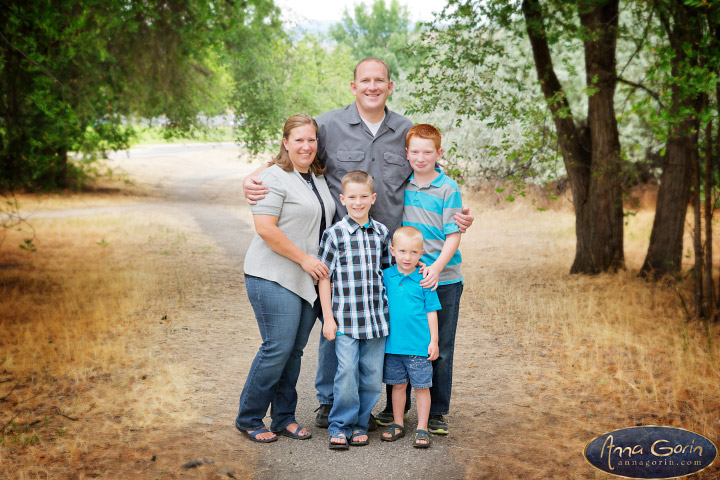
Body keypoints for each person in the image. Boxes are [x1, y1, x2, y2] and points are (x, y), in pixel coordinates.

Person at [242, 58, 474, 430]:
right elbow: (293, 150)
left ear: (390, 86)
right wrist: (250, 180)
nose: (371, 86)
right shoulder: (329, 126)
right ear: (353, 86)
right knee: (336, 328)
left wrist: (458, 213)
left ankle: (388, 405)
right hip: (342, 250)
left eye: (379, 80)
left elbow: (430, 168)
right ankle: (328, 400)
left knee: (386, 325)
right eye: (364, 80)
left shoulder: (404, 130)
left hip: (391, 253)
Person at [234, 114, 336, 443]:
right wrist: (306, 259)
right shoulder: (272, 178)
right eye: (299, 140)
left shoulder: (317, 177)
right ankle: (249, 417)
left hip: (306, 278)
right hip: (273, 274)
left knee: (294, 352)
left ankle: (283, 417)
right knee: (277, 347)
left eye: (311, 140)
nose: (306, 146)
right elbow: (265, 228)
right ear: (285, 142)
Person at [380, 124, 465, 436]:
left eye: (427, 152)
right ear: (406, 154)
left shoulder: (448, 189)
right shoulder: (403, 187)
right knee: (402, 341)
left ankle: (438, 412)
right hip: (409, 276)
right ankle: (396, 410)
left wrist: (437, 267)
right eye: (414, 151)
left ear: (439, 154)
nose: (420, 157)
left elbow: (454, 236)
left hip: (444, 279)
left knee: (438, 346)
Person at [317, 171, 392, 449]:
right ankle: (340, 425)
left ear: (373, 198)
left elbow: (386, 274)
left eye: (363, 197)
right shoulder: (334, 235)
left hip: (376, 320)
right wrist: (328, 318)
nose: (357, 202)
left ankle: (361, 423)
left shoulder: (382, 232)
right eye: (352, 197)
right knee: (346, 372)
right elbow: (324, 278)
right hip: (345, 320)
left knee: (371, 376)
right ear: (342, 199)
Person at [380, 226, 441, 448]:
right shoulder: (385, 276)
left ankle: (422, 427)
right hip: (392, 346)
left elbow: (431, 312)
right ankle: (398, 423)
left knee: (422, 387)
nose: (408, 257)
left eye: (414, 252)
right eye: (403, 251)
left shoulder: (425, 279)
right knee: (397, 386)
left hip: (418, 347)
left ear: (421, 254)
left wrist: (433, 341)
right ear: (392, 250)